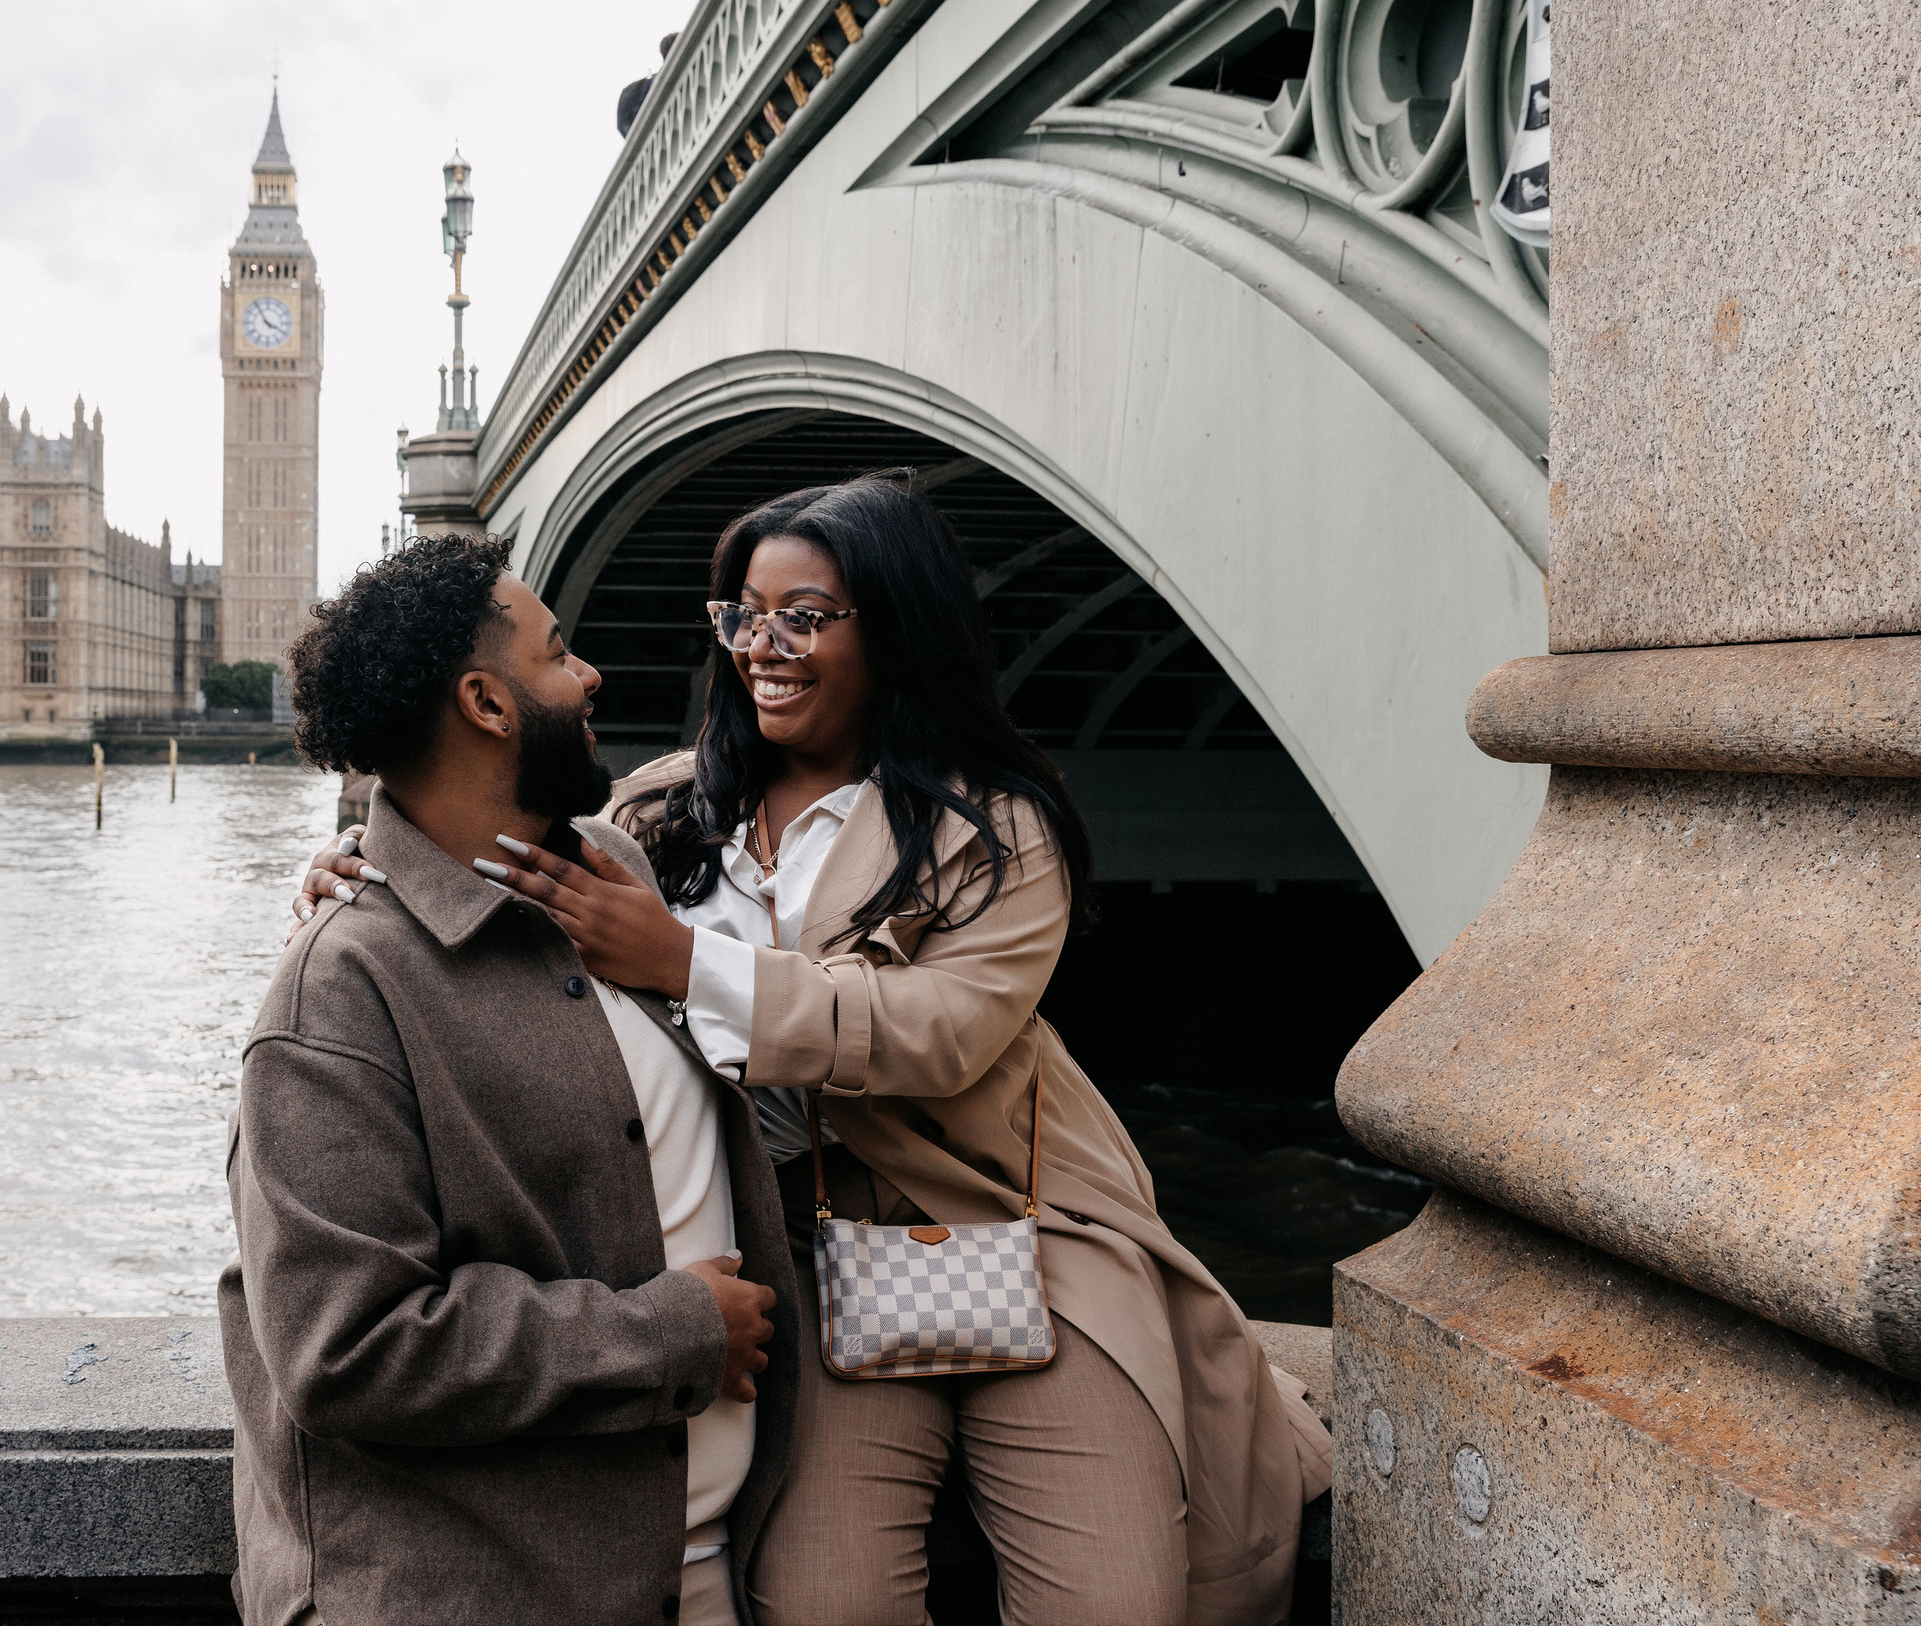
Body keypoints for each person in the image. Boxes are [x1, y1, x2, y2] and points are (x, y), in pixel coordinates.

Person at [299, 478, 1331, 1626]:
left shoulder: (994, 828)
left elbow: (939, 1036)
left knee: (1118, 1599)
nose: (761, 646)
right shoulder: (657, 820)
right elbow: (475, 827)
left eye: (804, 616)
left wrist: (687, 963)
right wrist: (357, 864)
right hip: (803, 1259)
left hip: (1023, 1236)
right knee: (819, 1600)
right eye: (741, 614)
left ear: (894, 626)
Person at [223, 533, 797, 1626]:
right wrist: (671, 1337)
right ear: (487, 703)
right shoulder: (338, 997)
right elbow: (347, 1347)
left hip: (705, 1567)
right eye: (557, 653)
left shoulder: (605, 867)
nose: (590, 675)